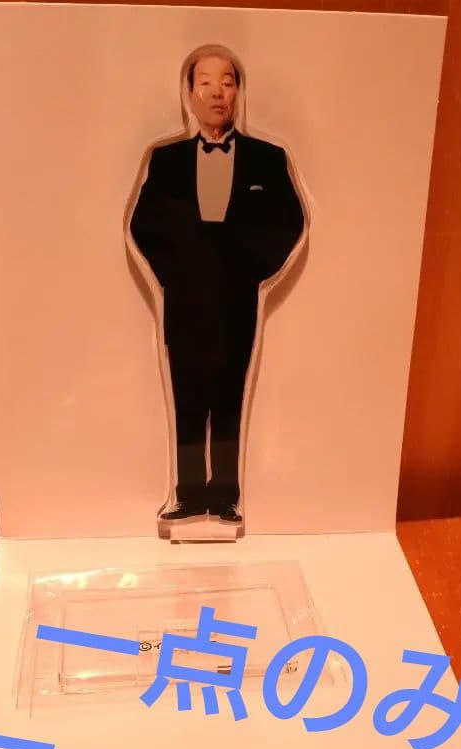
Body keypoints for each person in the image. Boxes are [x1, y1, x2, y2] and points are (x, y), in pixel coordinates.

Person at [129, 46, 305, 529]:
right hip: (184, 300)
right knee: (187, 399)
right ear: (189, 94)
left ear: (238, 92)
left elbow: (289, 222)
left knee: (229, 398)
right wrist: (176, 274)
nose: (217, 93)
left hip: (238, 300)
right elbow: (144, 226)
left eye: (226, 82)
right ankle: (188, 495)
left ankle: (226, 496)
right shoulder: (166, 161)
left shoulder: (268, 159)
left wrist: (252, 270)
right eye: (205, 82)